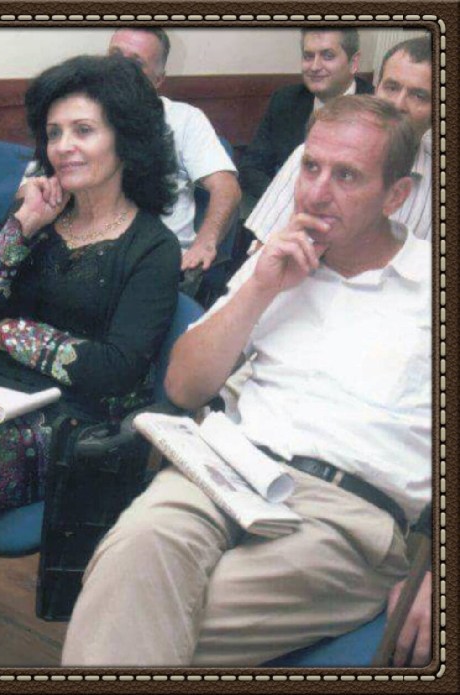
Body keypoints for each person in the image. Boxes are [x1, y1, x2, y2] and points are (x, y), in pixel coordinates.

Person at [61, 95, 431, 667]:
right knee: (134, 555)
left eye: (347, 176)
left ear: (396, 195)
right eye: (311, 167)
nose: (315, 193)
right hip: (224, 470)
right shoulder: (279, 257)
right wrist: (260, 287)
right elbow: (184, 388)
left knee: (130, 616)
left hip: (345, 515)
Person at [0, 54, 182, 666]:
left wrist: (11, 335)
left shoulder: (152, 248)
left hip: (67, 428)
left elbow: (113, 368)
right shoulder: (39, 218)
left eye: (83, 130)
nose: (63, 147)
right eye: (54, 132)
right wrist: (22, 225)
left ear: (126, 138)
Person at [22, 29, 241, 272]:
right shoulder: (72, 115)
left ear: (158, 80)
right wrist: (28, 217)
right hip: (65, 252)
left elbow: (226, 187)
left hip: (157, 265)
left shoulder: (183, 119)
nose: (119, 69)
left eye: (84, 130)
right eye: (115, 56)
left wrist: (205, 244)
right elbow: (28, 188)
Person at [246, 36, 432, 242]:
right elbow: (263, 250)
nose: (398, 104)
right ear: (376, 88)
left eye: (419, 96)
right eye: (392, 87)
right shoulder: (312, 155)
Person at [239, 29, 373, 204]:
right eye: (308, 56)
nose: (315, 67)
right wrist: (289, 198)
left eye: (328, 56)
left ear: (353, 62)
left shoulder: (377, 109)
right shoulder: (285, 101)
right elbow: (251, 167)